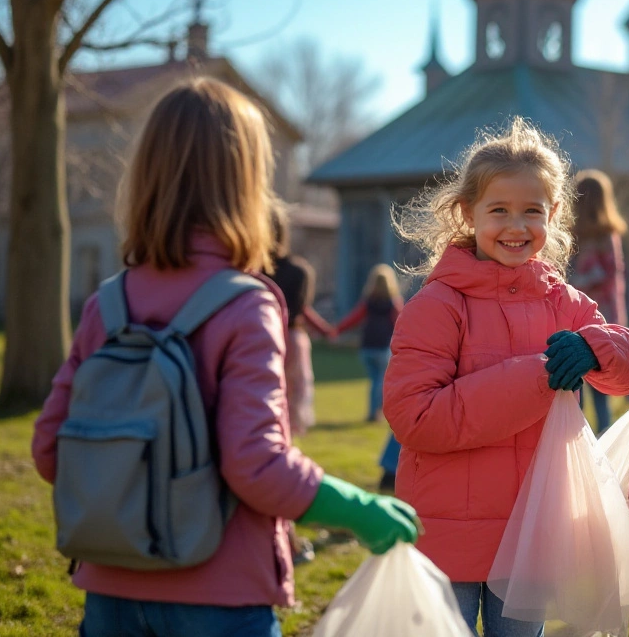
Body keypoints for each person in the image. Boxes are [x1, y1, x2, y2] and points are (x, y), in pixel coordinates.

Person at [30, 78, 419, 637]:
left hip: (109, 591)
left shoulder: (107, 304)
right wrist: (360, 509)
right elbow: (256, 467)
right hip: (220, 598)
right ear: (245, 184)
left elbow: (50, 449)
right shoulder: (247, 305)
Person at [383, 117, 629, 636]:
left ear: (553, 215)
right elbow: (415, 419)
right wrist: (538, 377)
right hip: (447, 537)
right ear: (467, 213)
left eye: (532, 211)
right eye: (499, 210)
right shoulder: (437, 305)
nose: (516, 225)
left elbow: (628, 371)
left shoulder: (562, 301)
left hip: (531, 535)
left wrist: (597, 348)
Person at [263, 205, 336, 438]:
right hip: (293, 336)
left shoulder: (252, 271)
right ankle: (288, 439)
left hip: (262, 334)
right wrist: (325, 329)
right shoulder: (300, 271)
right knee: (294, 393)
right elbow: (303, 309)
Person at [570, 169, 629, 433]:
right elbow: (613, 275)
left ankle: (591, 440)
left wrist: (575, 282)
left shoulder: (598, 235)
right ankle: (592, 439)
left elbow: (602, 274)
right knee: (590, 387)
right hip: (602, 316)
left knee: (584, 385)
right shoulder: (599, 235)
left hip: (582, 316)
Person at [332, 265, 404, 424]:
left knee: (375, 381)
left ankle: (376, 411)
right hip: (383, 346)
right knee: (380, 382)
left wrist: (337, 330)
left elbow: (353, 318)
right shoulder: (393, 303)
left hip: (367, 347)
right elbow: (402, 323)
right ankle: (375, 413)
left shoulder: (368, 302)